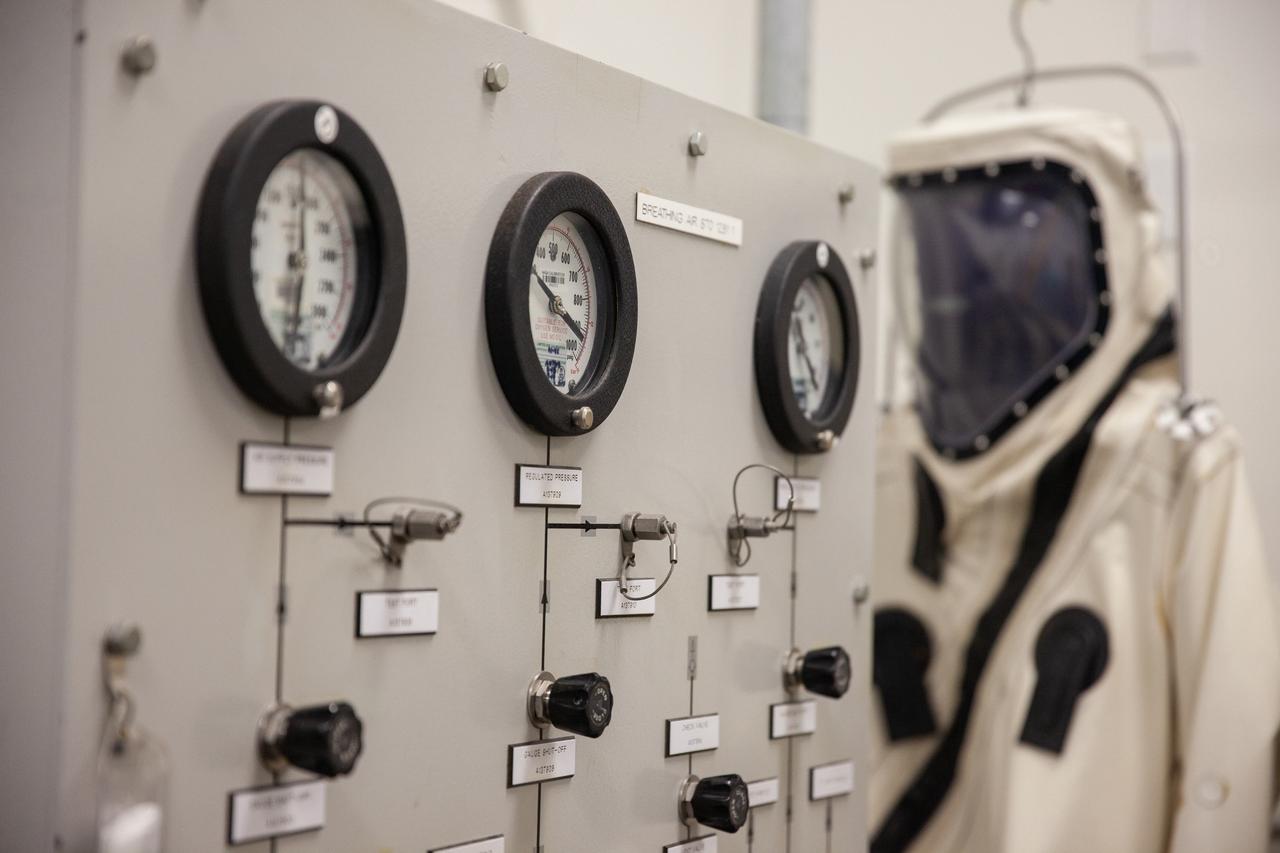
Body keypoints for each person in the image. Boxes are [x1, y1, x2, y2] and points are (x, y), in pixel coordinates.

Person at [869, 108, 1280, 853]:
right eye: (951, 245)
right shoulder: (893, 453)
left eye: (1018, 243)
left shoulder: (1176, 459)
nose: (976, 284)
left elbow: (1230, 763)